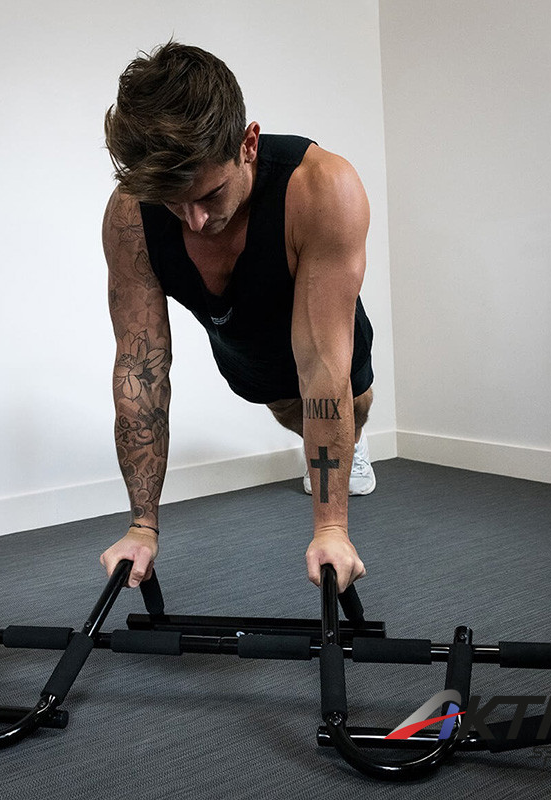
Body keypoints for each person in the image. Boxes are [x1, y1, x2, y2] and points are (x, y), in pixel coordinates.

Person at [99, 42, 375, 594]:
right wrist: (141, 526)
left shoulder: (322, 188)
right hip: (239, 339)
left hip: (317, 317)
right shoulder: (130, 216)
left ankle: (353, 444)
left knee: (354, 402)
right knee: (285, 406)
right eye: (174, 204)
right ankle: (320, 433)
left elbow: (322, 368)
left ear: (248, 143)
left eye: (209, 194)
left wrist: (331, 529)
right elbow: (140, 371)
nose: (195, 220)